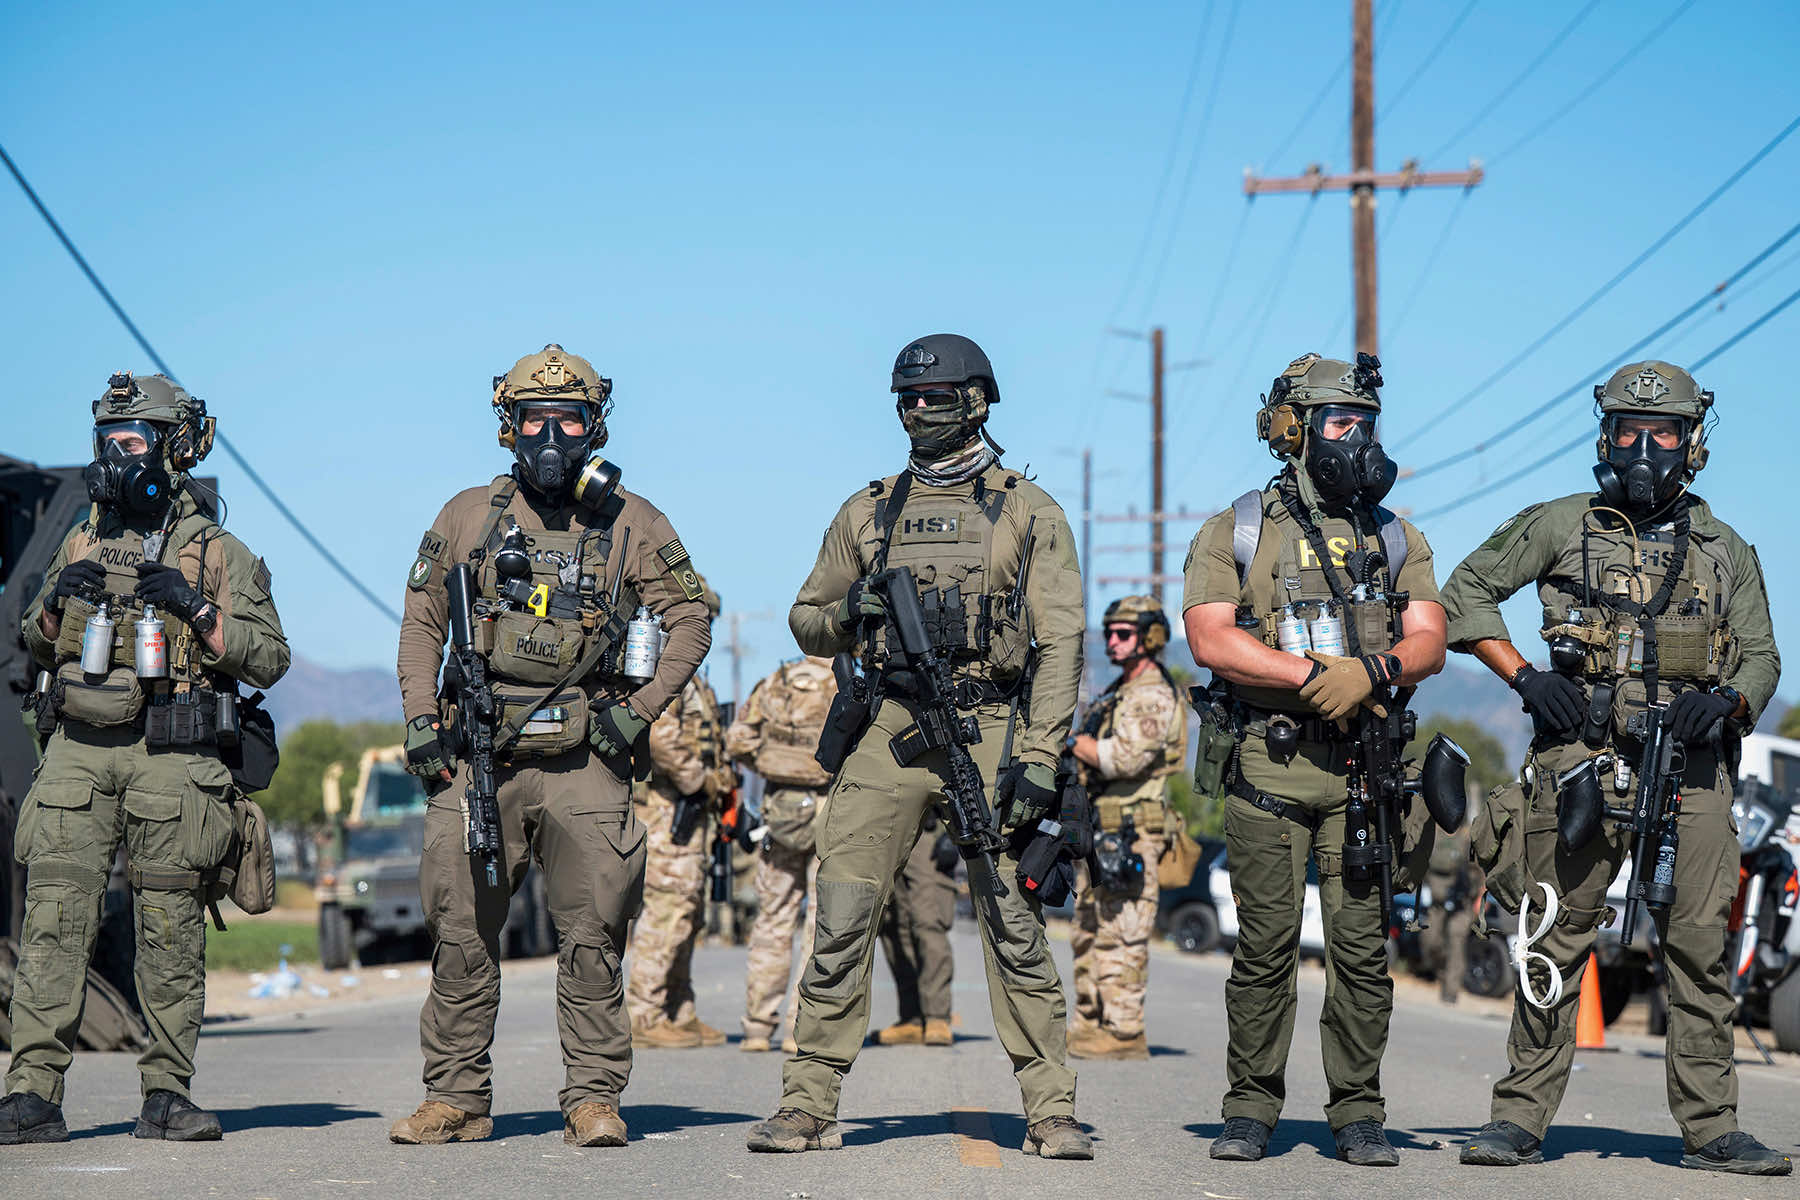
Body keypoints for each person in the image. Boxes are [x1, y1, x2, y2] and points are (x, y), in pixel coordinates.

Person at [746, 333, 1091, 1159]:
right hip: (891, 729)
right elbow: (806, 620)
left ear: (977, 400)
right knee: (842, 915)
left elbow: (1061, 642)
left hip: (992, 726)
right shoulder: (866, 511)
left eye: (934, 396)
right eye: (906, 398)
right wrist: (851, 611)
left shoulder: (1029, 510)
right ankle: (806, 1104)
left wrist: (1041, 756)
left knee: (1014, 923)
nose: (918, 410)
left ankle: (1051, 1111)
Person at [1444, 361, 1788, 1176]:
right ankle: (1518, 1119)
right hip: (1581, 760)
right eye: (1629, 431)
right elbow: (1465, 594)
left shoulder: (1726, 549)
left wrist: (1729, 703)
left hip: (1692, 768)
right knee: (1553, 935)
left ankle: (1711, 1129)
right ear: (1605, 437)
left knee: (1698, 949)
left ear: (1691, 443)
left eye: (1662, 433)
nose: (1643, 449)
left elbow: (1764, 656)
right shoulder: (1562, 523)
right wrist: (1526, 679)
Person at [389, 345, 710, 1148]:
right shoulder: (467, 515)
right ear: (510, 425)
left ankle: (593, 1099)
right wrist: (422, 719)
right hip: (478, 752)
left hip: (586, 757)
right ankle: (455, 1098)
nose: (552, 436)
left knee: (593, 937)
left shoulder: (633, 521)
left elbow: (692, 618)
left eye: (570, 419)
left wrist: (638, 712)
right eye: (536, 419)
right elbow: (423, 624)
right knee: (461, 934)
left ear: (595, 425)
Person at [1, 372, 289, 1144]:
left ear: (174, 449)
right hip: (77, 751)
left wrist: (192, 604)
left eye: (131, 443)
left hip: (173, 752)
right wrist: (55, 601)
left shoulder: (217, 551)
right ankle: (30, 1096)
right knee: (53, 918)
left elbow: (269, 656)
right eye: (107, 442)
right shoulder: (80, 538)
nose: (114, 457)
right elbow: (34, 639)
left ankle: (166, 1095)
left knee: (170, 928)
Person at [1182, 352, 1446, 1167]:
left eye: (1366, 422)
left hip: (1363, 767)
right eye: (1339, 422)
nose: (1356, 437)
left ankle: (1358, 1113)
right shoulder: (1238, 529)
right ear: (1293, 430)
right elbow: (1209, 637)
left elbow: (1430, 638)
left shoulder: (1395, 534)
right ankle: (1249, 1110)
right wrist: (1306, 677)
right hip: (1270, 762)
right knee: (1265, 949)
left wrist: (1374, 671)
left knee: (1362, 951)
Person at [1067, 595, 1186, 1060]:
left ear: (1150, 638)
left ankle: (1123, 1032)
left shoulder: (1151, 694)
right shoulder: (1121, 690)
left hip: (1133, 832)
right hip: (1104, 830)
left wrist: (1072, 742)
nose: (1112, 641)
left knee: (1123, 933)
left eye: (1123, 634)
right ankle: (1090, 1022)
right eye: (1110, 632)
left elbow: (1124, 759)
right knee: (1088, 930)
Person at [626, 578, 732, 1049]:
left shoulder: (690, 676)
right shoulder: (661, 670)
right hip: (667, 812)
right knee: (668, 909)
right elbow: (660, 735)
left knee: (689, 911)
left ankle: (678, 1008)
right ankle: (645, 1014)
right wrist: (701, 780)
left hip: (690, 815)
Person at [727, 655, 836, 1053]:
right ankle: (798, 1027)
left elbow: (737, 740)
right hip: (830, 807)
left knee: (773, 919)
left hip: (780, 808)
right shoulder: (844, 681)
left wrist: (773, 766)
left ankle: (757, 1027)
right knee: (821, 923)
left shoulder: (776, 680)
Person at [872, 818, 957, 1047]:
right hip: (883, 831)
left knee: (929, 921)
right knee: (891, 925)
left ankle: (937, 1017)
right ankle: (912, 1019)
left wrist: (952, 831)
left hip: (926, 831)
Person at [1422, 823, 1474, 1004]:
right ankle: (1441, 972)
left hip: (1460, 901)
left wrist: (1476, 897)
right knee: (1431, 941)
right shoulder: (1433, 834)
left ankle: (1451, 990)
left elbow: (1476, 871)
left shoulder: (1466, 838)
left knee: (1455, 939)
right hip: (1436, 902)